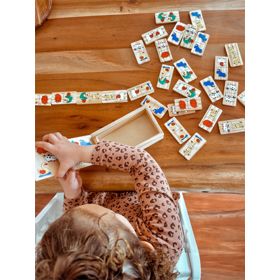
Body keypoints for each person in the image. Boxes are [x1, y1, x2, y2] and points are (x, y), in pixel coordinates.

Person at [35, 132, 184, 280]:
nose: (80, 206)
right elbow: (142, 163)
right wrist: (78, 152)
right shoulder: (164, 239)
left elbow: (79, 226)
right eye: (112, 215)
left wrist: (73, 195)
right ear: (144, 248)